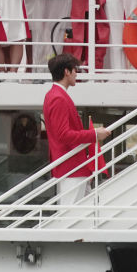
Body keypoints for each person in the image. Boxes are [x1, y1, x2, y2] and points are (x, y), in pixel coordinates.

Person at [43, 54, 110, 204]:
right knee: (71, 213)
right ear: (66, 72)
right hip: (71, 167)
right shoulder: (58, 98)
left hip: (73, 166)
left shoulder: (54, 95)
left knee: (85, 211)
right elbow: (63, 135)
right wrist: (94, 134)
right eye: (75, 70)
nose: (76, 74)